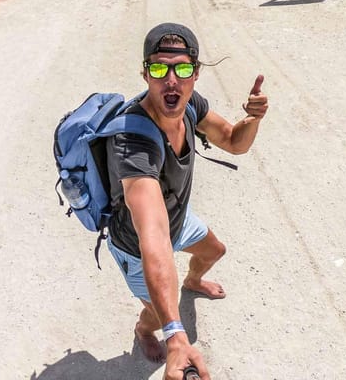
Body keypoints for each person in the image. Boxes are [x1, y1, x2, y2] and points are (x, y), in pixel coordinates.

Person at [105, 22, 268, 380]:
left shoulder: (191, 105)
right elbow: (153, 233)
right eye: (160, 69)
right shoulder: (133, 141)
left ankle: (192, 282)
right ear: (146, 73)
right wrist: (175, 336)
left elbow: (234, 141)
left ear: (196, 73)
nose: (171, 81)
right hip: (136, 245)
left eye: (181, 69)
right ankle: (143, 330)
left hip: (177, 219)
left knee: (214, 251)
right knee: (158, 310)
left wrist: (253, 119)